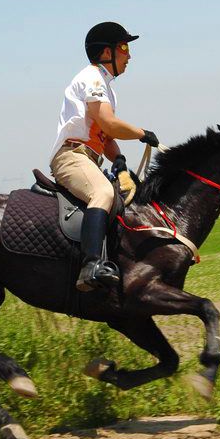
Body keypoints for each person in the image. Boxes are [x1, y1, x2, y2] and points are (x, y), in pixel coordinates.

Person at [49, 21, 160, 292]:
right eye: (124, 47)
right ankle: (91, 266)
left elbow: (104, 136)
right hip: (72, 156)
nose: (129, 55)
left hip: (89, 157)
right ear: (106, 52)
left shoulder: (105, 86)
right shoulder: (92, 78)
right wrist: (141, 132)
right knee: (104, 194)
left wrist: (119, 161)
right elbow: (109, 124)